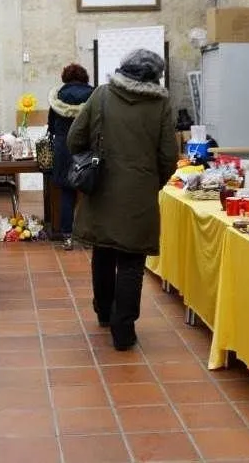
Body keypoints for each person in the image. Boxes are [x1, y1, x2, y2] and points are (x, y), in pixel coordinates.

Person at [67, 49, 177, 351]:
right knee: (131, 261)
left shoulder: (101, 95)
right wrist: (150, 182)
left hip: (101, 190)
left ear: (123, 68)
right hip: (139, 195)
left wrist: (95, 160)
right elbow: (169, 156)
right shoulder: (160, 105)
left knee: (103, 252)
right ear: (155, 76)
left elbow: (74, 139)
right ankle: (123, 330)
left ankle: (104, 312)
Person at [47, 63, 94, 251]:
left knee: (67, 192)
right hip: (87, 148)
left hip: (64, 148)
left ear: (65, 78)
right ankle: (88, 237)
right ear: (84, 77)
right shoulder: (94, 94)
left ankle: (67, 236)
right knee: (90, 192)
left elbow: (51, 126)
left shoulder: (57, 96)